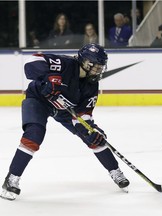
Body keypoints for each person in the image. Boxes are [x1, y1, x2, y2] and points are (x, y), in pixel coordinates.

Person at [0, 43, 130, 201]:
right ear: (85, 62)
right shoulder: (65, 64)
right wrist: (46, 81)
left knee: (92, 135)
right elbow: (31, 62)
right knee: (34, 134)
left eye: (100, 67)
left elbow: (83, 115)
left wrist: (88, 129)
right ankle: (12, 178)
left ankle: (115, 171)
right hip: (39, 100)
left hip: (65, 110)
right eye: (96, 66)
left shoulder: (91, 85)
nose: (98, 70)